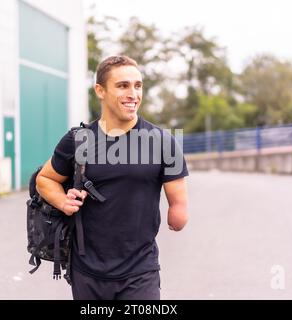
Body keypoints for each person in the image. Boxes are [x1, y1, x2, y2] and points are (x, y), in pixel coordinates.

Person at [36, 55, 189, 300]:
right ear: (101, 90)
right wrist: (62, 201)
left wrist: (178, 210)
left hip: (140, 271)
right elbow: (45, 179)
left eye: (137, 86)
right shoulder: (79, 139)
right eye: (122, 86)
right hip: (87, 271)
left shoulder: (161, 142)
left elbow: (178, 198)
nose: (133, 94)